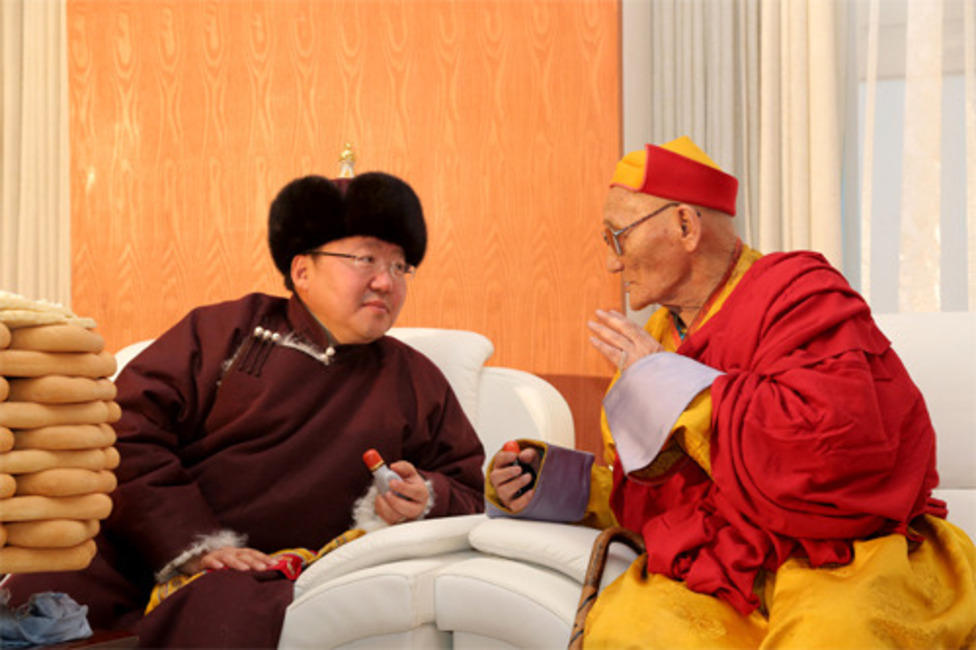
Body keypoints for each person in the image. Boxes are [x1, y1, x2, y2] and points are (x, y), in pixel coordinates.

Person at [486, 136, 976, 648]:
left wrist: (672, 387)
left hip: (841, 553)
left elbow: (835, 450)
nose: (612, 263)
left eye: (618, 237)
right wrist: (556, 486)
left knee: (832, 634)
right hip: (721, 564)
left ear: (685, 225)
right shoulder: (655, 339)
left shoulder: (798, 293)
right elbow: (663, 498)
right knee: (631, 629)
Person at [4, 170, 486, 647]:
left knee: (222, 613)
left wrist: (426, 496)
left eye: (400, 267)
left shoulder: (416, 379)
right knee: (40, 587)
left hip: (267, 574)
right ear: (302, 270)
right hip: (151, 539)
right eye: (366, 259)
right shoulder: (224, 332)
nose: (385, 281)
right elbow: (123, 431)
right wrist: (196, 544)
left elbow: (467, 491)